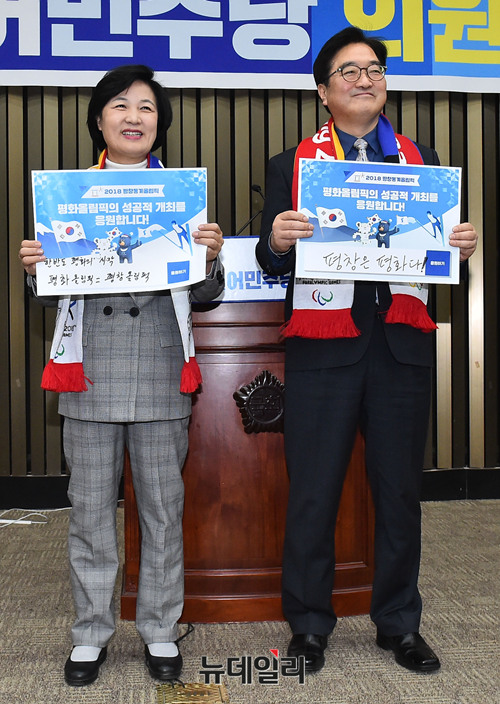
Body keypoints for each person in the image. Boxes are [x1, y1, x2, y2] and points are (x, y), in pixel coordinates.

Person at [256, 27, 477, 675]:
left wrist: (457, 249)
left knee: (399, 493)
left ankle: (399, 623)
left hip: (401, 347)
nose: (364, 79)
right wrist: (278, 240)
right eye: (348, 71)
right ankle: (308, 624)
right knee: (314, 492)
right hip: (323, 350)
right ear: (323, 92)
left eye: (374, 69)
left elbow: (437, 261)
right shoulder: (291, 165)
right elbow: (272, 262)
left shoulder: (422, 160)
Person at [19, 65, 224, 687]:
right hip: (89, 370)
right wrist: (35, 269)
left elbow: (208, 295)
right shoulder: (68, 197)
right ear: (99, 120)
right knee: (88, 512)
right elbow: (47, 293)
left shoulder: (181, 197)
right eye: (120, 106)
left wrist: (209, 259)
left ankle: (160, 627)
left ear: (159, 124)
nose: (134, 117)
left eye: (147, 108)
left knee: (162, 509)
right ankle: (90, 633)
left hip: (161, 365)